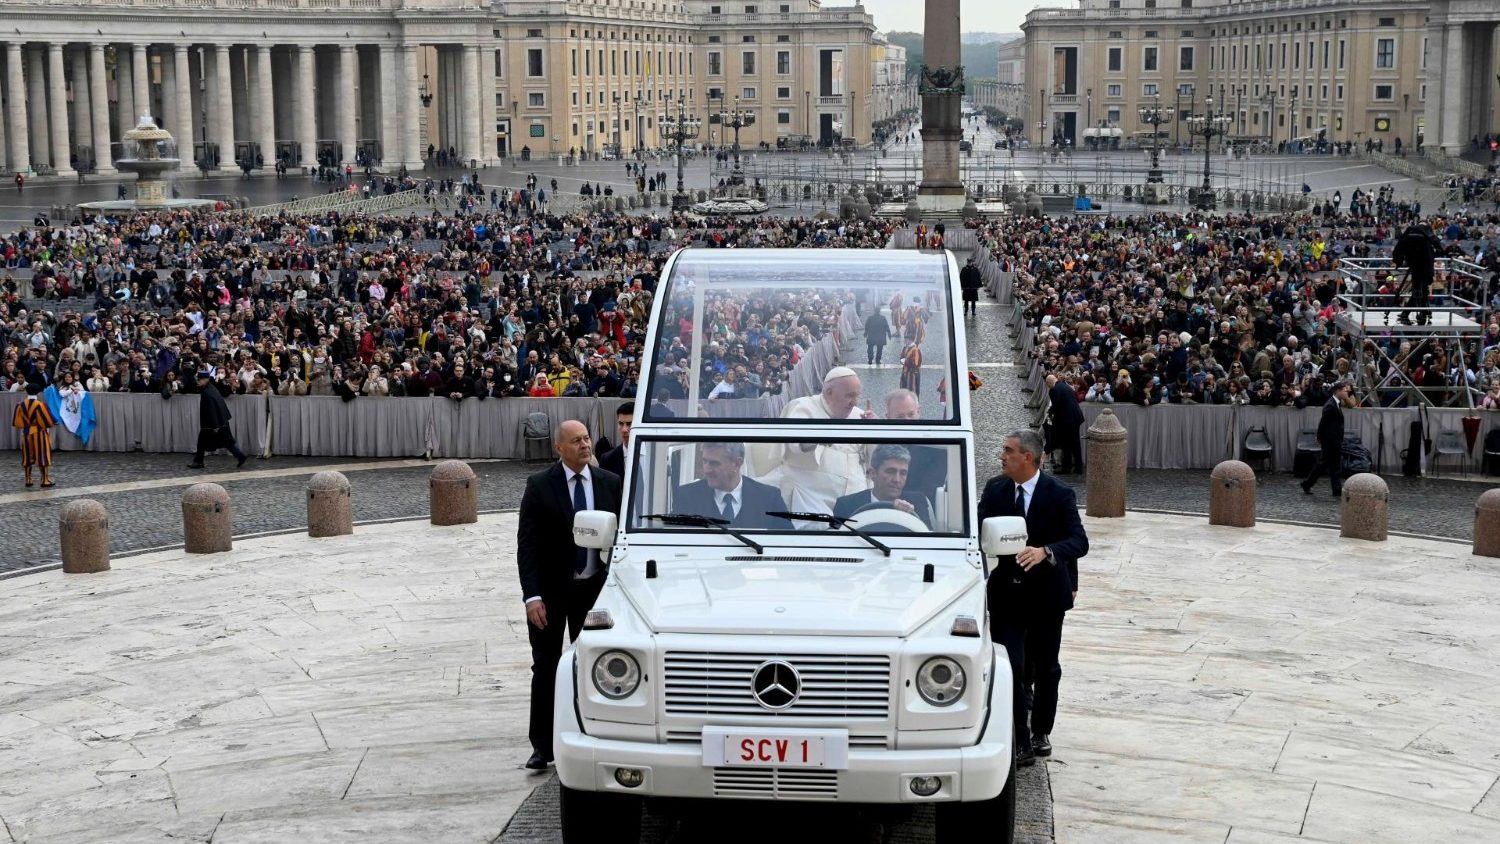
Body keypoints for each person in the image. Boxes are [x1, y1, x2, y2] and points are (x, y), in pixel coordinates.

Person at [978, 430, 1088, 767]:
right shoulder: (995, 488)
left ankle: (1041, 730)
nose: (1002, 455)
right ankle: (1019, 739)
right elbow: (977, 527)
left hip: (1045, 597)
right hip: (1005, 596)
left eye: (1008, 450)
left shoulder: (1059, 494)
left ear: (1028, 457)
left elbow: (1079, 542)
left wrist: (1046, 552)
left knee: (1046, 667)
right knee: (1010, 666)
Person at [517, 420, 622, 771]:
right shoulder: (540, 486)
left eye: (587, 438)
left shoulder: (610, 483)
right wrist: (532, 597)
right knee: (546, 667)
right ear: (559, 447)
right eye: (576, 441)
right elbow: (527, 546)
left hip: (594, 592)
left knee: (594, 666)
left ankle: (593, 735)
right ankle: (542, 746)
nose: (585, 445)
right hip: (550, 594)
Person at [760, 367, 875, 513]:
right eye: (849, 396)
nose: (855, 403)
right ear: (829, 392)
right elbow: (795, 442)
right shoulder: (803, 407)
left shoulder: (859, 415)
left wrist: (875, 429)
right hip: (810, 497)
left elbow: (877, 460)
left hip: (855, 499)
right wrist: (820, 435)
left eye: (857, 396)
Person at [672, 441, 793, 529]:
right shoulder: (686, 497)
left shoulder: (769, 498)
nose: (706, 470)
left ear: (736, 463)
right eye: (705, 461)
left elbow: (788, 544)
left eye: (714, 463)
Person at [833, 444, 935, 528]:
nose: (897, 479)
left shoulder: (919, 502)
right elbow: (837, 547)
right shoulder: (846, 505)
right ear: (872, 473)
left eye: (903, 473)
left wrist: (911, 517)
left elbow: (929, 544)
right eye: (890, 471)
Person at [188, 371, 247, 469]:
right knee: (227, 442)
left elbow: (212, 409)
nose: (198, 382)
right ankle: (240, 456)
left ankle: (198, 462)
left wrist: (215, 426)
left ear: (205, 379)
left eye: (199, 380)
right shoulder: (211, 388)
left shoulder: (207, 392)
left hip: (212, 424)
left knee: (203, 442)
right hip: (221, 422)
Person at [1302, 380, 1349, 497]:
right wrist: (1320, 437)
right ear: (1338, 391)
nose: (1346, 393)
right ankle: (1308, 483)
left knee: (1332, 465)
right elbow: (1323, 423)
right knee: (1326, 464)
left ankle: (1335, 490)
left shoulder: (1335, 404)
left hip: (1334, 440)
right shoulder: (1330, 405)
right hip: (1330, 441)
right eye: (1344, 391)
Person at [1392, 224, 1437, 326]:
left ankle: (1409, 313)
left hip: (1415, 267)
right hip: (1424, 268)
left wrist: (1399, 261)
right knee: (1421, 292)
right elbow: (1435, 250)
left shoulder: (1410, 235)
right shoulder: (1426, 237)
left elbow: (1398, 249)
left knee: (1419, 292)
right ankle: (1414, 313)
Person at [13, 382, 56, 488]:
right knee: (42, 456)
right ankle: (44, 480)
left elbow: (16, 422)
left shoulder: (20, 405)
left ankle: (28, 479)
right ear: (39, 392)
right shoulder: (40, 405)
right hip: (39, 432)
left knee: (27, 456)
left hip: (26, 433)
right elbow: (47, 421)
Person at [1045, 373, 1086, 474]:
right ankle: (1078, 467)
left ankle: (1066, 468)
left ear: (1049, 383)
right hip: (1076, 417)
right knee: (1075, 443)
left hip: (1066, 420)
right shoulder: (1064, 386)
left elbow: (1056, 406)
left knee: (1066, 444)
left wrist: (1050, 414)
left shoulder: (1054, 390)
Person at [599, 400, 634, 478]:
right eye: (621, 424)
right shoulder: (607, 460)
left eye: (629, 424)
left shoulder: (656, 456)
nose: (624, 430)